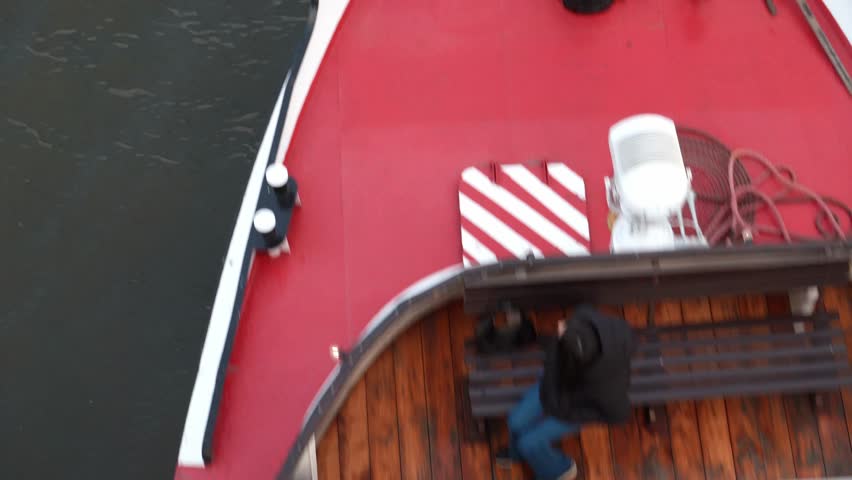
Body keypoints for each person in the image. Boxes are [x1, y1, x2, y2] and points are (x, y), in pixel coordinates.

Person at [496, 305, 633, 480]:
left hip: (573, 410)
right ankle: (517, 454)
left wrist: (563, 409)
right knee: (515, 422)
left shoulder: (606, 389)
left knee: (529, 443)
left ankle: (559, 470)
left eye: (564, 328)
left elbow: (618, 414)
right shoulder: (582, 323)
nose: (560, 325)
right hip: (553, 385)